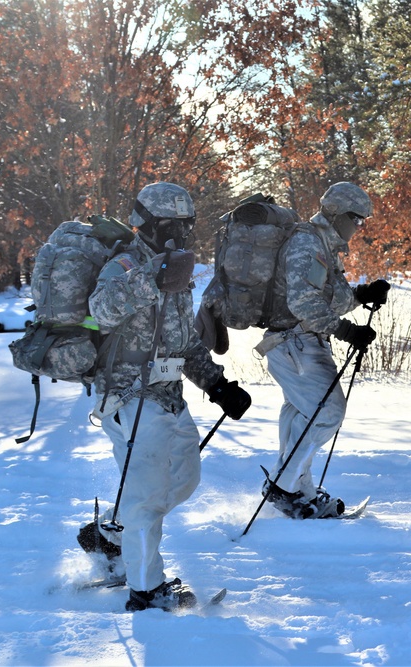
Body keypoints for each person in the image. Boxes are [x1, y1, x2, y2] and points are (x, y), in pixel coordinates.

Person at [75, 182, 252, 612]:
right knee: (148, 495)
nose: (181, 234)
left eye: (186, 226)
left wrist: (217, 385)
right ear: (148, 225)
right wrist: (150, 278)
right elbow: (99, 311)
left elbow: (184, 342)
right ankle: (146, 589)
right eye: (171, 225)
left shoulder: (180, 270)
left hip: (169, 397)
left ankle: (114, 534)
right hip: (130, 397)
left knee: (184, 480)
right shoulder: (124, 264)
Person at [254, 182, 390, 519]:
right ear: (339, 214)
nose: (358, 227)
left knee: (302, 413)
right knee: (326, 413)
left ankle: (299, 489)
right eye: (356, 219)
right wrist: (346, 331)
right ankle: (285, 488)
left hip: (297, 343)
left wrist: (363, 294)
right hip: (295, 343)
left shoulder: (324, 245)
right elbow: (303, 302)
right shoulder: (307, 242)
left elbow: (331, 297)